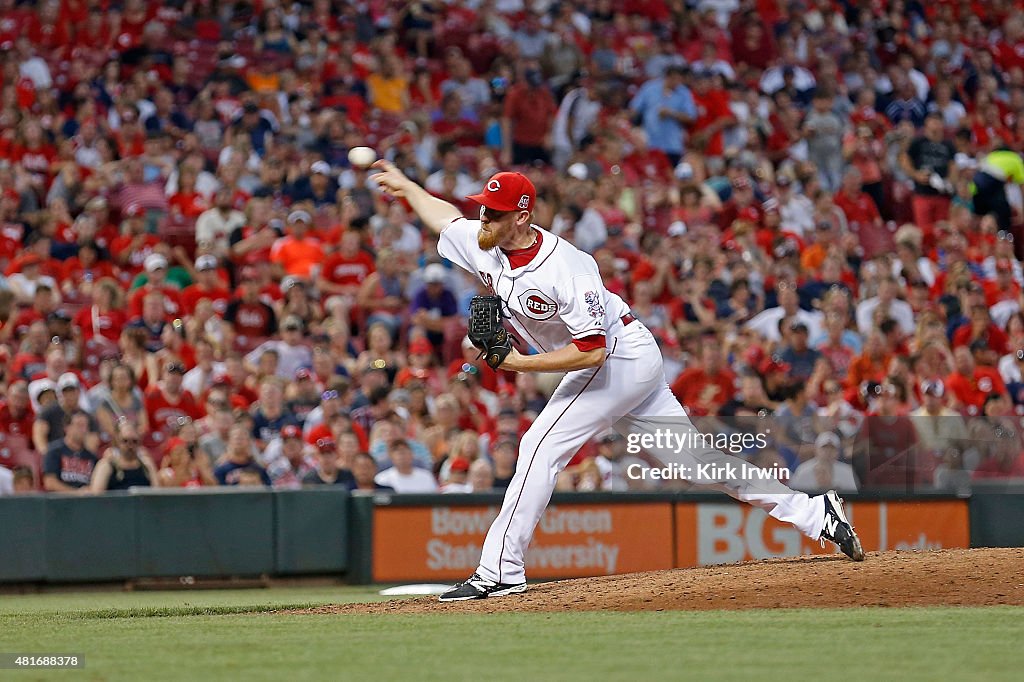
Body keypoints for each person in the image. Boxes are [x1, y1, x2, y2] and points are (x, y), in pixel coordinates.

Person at [371, 159, 865, 603]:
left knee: (539, 446)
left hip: (617, 359)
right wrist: (408, 187)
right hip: (621, 361)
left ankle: (500, 569)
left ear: (522, 216)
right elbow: (444, 216)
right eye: (483, 209)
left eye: (495, 212)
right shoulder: (487, 242)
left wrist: (515, 364)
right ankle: (817, 513)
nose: (485, 219)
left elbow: (592, 351)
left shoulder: (567, 268)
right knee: (697, 464)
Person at [90, 419, 159, 492]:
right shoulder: (106, 465)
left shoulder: (146, 465)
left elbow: (157, 494)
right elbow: (96, 496)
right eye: (125, 441)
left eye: (134, 441)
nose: (130, 445)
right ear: (117, 441)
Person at [42, 410, 98, 492]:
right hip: (60, 501)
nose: (84, 430)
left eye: (86, 426)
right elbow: (50, 483)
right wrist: (76, 493)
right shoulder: (54, 451)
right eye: (79, 425)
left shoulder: (91, 457)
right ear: (67, 428)